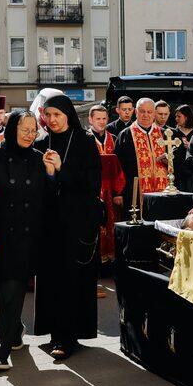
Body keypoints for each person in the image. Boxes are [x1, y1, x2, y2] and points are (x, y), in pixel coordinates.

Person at [0, 110, 54, 372]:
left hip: (26, 240)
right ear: (12, 129)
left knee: (12, 294)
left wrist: (52, 175)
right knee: (4, 296)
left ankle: (0, 352)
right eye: (24, 129)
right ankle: (15, 331)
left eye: (33, 130)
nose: (30, 135)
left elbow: (50, 201)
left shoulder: (40, 160)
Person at [35, 94, 101, 359]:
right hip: (50, 222)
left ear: (68, 115)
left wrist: (62, 169)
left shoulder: (84, 141)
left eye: (57, 115)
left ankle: (68, 336)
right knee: (52, 278)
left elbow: (92, 184)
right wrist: (48, 175)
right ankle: (54, 333)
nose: (52, 120)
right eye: (48, 115)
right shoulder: (41, 143)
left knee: (72, 280)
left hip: (76, 222)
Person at [87, 105, 125, 268]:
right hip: (93, 191)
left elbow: (120, 168)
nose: (101, 122)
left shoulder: (114, 138)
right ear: (90, 120)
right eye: (98, 119)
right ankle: (95, 263)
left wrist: (119, 192)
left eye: (104, 119)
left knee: (112, 224)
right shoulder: (85, 138)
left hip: (111, 192)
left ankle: (110, 261)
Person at [115, 97, 168, 194]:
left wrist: (169, 161)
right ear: (136, 112)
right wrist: (118, 193)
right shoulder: (125, 135)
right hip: (133, 190)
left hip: (163, 190)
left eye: (149, 112)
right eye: (142, 111)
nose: (146, 115)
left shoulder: (165, 134)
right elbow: (117, 167)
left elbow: (177, 163)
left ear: (154, 113)